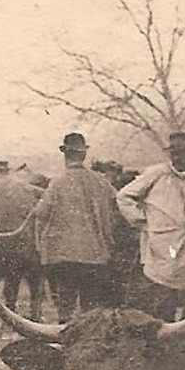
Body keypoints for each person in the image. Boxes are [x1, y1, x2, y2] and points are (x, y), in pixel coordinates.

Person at [115, 131, 185, 322]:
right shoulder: (156, 173)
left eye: (183, 153)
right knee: (160, 292)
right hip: (161, 244)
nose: (178, 158)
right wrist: (142, 220)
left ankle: (184, 338)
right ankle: (162, 335)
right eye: (174, 153)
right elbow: (124, 196)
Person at [32, 133, 118, 322]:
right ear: (84, 155)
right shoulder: (100, 181)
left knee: (65, 301)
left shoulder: (57, 182)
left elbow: (41, 212)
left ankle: (65, 337)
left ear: (65, 155)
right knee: (91, 304)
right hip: (95, 254)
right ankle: (89, 339)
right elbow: (115, 202)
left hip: (63, 255)